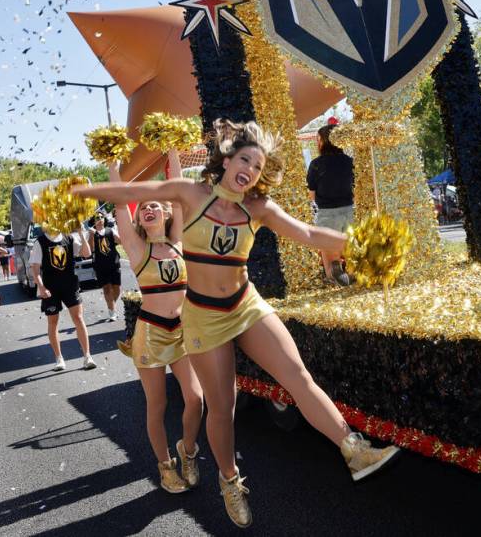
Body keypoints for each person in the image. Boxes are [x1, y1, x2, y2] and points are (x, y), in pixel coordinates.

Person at [73, 120, 400, 528]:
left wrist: (359, 244)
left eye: (258, 166)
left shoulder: (259, 208)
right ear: (227, 161)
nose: (250, 169)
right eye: (245, 158)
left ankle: (353, 448)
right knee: (221, 407)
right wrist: (78, 194)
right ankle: (230, 481)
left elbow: (309, 233)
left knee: (297, 376)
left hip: (245, 304)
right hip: (204, 319)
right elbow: (129, 194)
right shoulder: (190, 194)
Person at [110, 150, 203, 493]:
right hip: (150, 333)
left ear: (166, 214)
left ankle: (187, 450)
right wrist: (112, 164)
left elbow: (178, 190)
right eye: (143, 207)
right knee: (158, 405)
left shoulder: (178, 241)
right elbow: (121, 204)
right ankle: (166, 466)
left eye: (155, 206)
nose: (148, 208)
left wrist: (174, 152)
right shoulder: (137, 248)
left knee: (196, 399)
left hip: (182, 332)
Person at [30, 225, 96, 371]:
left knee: (78, 318)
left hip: (69, 285)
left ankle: (87, 356)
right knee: (53, 322)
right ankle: (59, 358)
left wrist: (80, 233)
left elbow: (86, 254)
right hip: (50, 288)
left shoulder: (69, 238)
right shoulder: (39, 242)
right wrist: (41, 287)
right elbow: (35, 269)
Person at [306, 123, 353, 286]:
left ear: (323, 142)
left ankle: (333, 274)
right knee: (350, 248)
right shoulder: (349, 161)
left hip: (327, 213)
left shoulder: (316, 164)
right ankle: (351, 275)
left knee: (328, 252)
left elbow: (311, 195)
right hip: (349, 211)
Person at [88, 213, 121, 321]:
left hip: (114, 263)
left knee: (117, 289)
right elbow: (91, 249)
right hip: (100, 265)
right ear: (94, 221)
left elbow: (120, 241)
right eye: (97, 218)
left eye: (102, 217)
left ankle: (111, 306)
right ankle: (112, 312)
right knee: (107, 289)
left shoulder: (110, 230)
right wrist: (92, 235)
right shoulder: (92, 233)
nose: (100, 219)